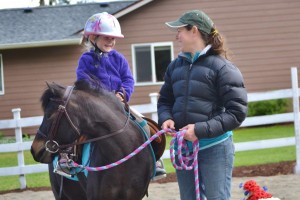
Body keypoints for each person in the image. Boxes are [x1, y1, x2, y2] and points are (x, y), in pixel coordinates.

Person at [158, 10, 248, 199]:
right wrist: (166, 118)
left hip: (215, 147)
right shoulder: (175, 67)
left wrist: (199, 130)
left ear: (194, 31)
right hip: (185, 149)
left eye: (180, 30)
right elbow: (165, 100)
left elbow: (236, 112)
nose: (176, 36)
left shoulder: (222, 68)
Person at [75, 12, 166, 180]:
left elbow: (128, 79)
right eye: (107, 37)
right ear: (93, 37)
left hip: (119, 106)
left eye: (113, 38)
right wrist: (105, 97)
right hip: (95, 108)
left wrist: (122, 94)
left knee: (146, 126)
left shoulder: (119, 58)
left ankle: (154, 161)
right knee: (75, 130)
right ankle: (69, 160)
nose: (111, 41)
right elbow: (84, 81)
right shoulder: (85, 60)